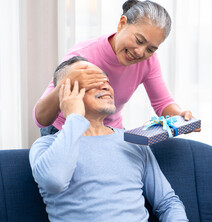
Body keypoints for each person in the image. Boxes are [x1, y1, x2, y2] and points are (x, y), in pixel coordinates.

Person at [29, 57, 189, 222]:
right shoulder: (46, 146)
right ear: (65, 94)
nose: (104, 85)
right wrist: (74, 117)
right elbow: (54, 181)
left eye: (105, 80)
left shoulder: (134, 141)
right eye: (91, 80)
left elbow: (168, 203)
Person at [33, 0, 200, 136]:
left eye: (151, 49)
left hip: (111, 131)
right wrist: (66, 83)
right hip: (67, 131)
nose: (140, 52)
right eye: (139, 40)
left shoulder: (149, 62)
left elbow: (162, 103)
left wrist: (180, 117)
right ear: (122, 23)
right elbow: (40, 118)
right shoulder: (83, 56)